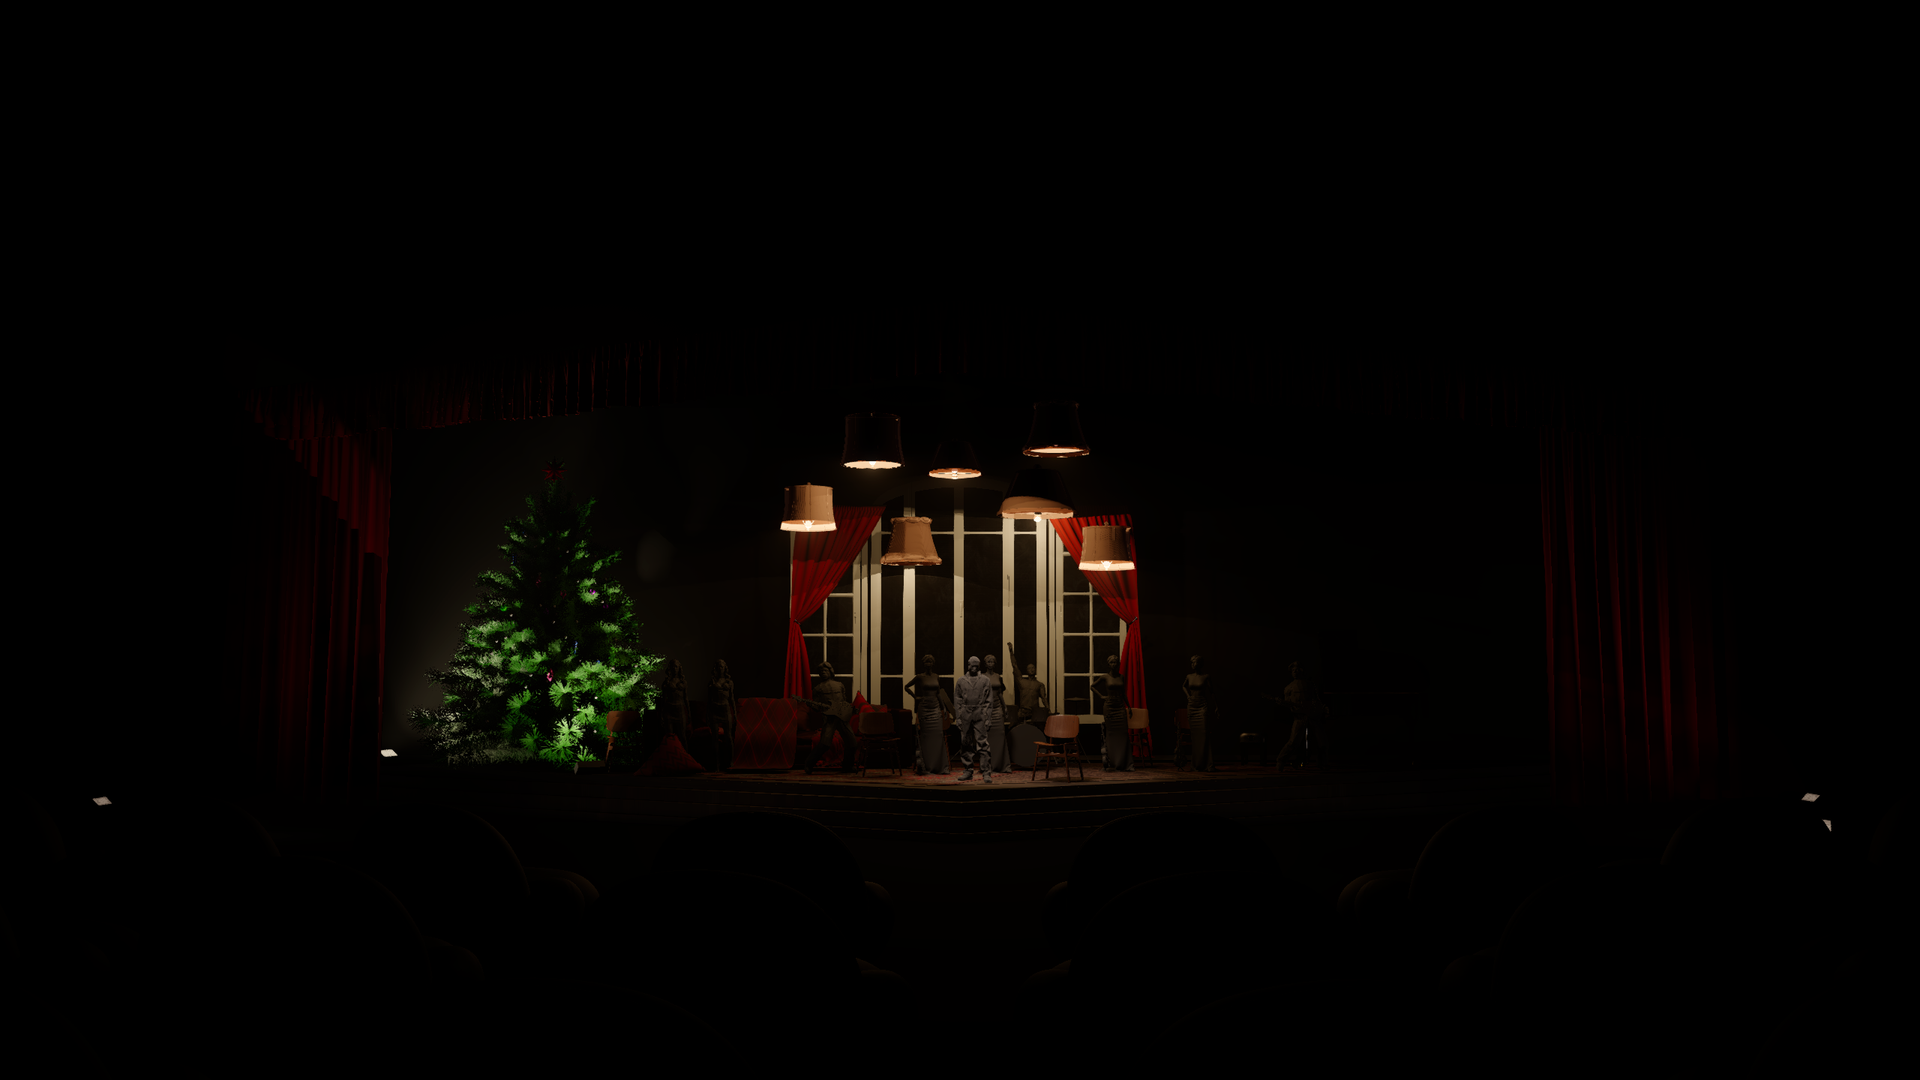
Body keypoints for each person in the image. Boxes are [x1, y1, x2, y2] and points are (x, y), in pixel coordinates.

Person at [791, 660, 857, 774]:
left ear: (831, 671)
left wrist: (848, 711)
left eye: (825, 670)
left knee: (852, 743)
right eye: (821, 671)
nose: (823, 673)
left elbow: (844, 702)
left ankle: (848, 766)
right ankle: (809, 764)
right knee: (825, 744)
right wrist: (810, 704)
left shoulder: (840, 685)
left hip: (842, 718)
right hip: (829, 718)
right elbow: (817, 708)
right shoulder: (818, 689)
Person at [904, 653, 954, 775]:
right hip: (924, 709)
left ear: (933, 663)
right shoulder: (920, 677)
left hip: (936, 708)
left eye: (930, 661)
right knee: (926, 738)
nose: (928, 664)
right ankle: (927, 767)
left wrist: (944, 708)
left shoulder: (936, 676)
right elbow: (906, 687)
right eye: (926, 662)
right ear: (923, 664)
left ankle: (940, 767)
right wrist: (915, 697)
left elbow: (938, 693)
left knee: (938, 736)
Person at [954, 656, 995, 783]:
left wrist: (987, 718)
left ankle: (986, 772)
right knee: (966, 742)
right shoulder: (961, 680)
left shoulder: (985, 680)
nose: (974, 668)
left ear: (979, 666)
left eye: (976, 666)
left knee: (982, 743)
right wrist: (958, 718)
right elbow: (957, 700)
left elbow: (989, 701)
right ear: (968, 665)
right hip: (965, 713)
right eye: (972, 665)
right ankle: (968, 770)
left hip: (980, 712)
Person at [1091, 654, 1134, 771]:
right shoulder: (1105, 677)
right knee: (1111, 734)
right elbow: (1092, 686)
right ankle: (1112, 762)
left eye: (1116, 662)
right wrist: (1101, 696)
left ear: (1118, 664)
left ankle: (1125, 763)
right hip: (1109, 707)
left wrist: (1129, 706)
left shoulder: (1121, 677)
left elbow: (1123, 693)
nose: (1114, 664)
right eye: (1112, 662)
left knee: (1123, 734)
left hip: (1120, 707)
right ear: (1108, 664)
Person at [1181, 655, 1215, 771]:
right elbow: (1183, 686)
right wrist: (1188, 696)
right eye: (1191, 662)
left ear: (1200, 663)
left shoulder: (1206, 677)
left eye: (1194, 662)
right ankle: (1196, 764)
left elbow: (1212, 692)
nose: (1192, 664)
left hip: (1202, 707)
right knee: (1195, 737)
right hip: (1192, 707)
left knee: (1204, 735)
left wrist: (1216, 706)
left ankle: (1208, 764)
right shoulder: (1189, 676)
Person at [982, 653, 1011, 773]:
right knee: (988, 738)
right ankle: (988, 765)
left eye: (992, 661)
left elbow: (999, 693)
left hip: (998, 708)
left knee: (1000, 735)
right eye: (988, 662)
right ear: (985, 664)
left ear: (995, 663)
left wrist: (1005, 707)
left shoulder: (998, 676)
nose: (990, 664)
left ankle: (1003, 765)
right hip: (986, 709)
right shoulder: (981, 677)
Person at [707, 659, 738, 771]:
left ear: (725, 668)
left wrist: (735, 713)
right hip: (715, 710)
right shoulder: (712, 681)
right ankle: (716, 764)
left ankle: (730, 762)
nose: (720, 668)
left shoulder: (729, 682)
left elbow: (732, 698)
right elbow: (709, 699)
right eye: (719, 666)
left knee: (728, 737)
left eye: (722, 666)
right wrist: (707, 713)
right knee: (714, 738)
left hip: (725, 710)